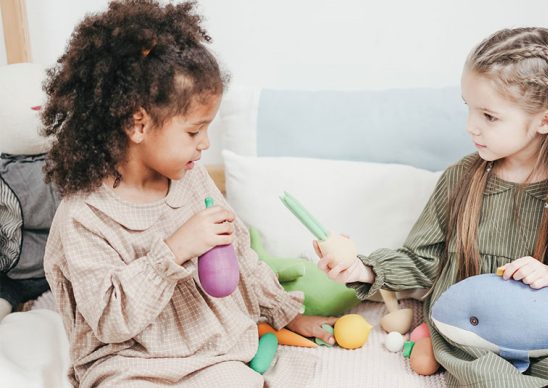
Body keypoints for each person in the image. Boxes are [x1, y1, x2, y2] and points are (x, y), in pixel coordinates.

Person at [41, 1, 335, 386]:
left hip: (213, 352)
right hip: (126, 363)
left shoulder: (191, 180)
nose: (205, 144)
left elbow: (240, 254)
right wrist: (176, 248)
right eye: (194, 132)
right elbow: (111, 320)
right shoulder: (84, 216)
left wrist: (284, 312)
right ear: (138, 124)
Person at [316, 27, 548, 387]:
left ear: (545, 121)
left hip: (547, 331)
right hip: (474, 335)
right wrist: (361, 270)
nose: (470, 127)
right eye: (469, 108)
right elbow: (420, 260)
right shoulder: (461, 178)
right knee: (491, 377)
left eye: (489, 117)